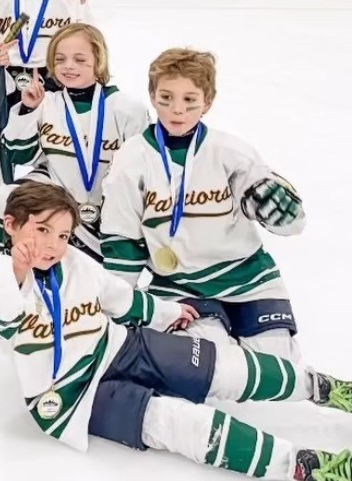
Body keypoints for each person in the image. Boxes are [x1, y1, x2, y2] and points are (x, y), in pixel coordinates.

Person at [0, 182, 350, 481]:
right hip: (70, 394)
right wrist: (18, 271)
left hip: (120, 346)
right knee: (180, 422)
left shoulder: (75, 262)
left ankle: (326, 388)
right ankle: (303, 466)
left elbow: (121, 299)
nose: (52, 244)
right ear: (11, 225)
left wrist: (170, 312)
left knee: (224, 366)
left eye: (62, 235)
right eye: (42, 229)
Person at [99, 49, 307, 362]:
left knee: (277, 366)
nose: (177, 110)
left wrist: (284, 214)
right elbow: (122, 239)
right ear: (152, 96)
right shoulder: (131, 160)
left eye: (190, 100)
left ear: (207, 102)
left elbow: (294, 223)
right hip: (178, 285)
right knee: (204, 365)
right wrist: (119, 308)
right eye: (166, 97)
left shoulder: (230, 153)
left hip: (249, 278)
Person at [0, 23, 150, 259]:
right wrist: (29, 109)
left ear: (99, 60)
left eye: (79, 60)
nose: (68, 66)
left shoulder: (127, 109)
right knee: (4, 200)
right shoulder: (47, 102)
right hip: (55, 200)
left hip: (106, 210)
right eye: (60, 59)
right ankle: (13, 265)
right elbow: (17, 154)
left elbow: (142, 171)